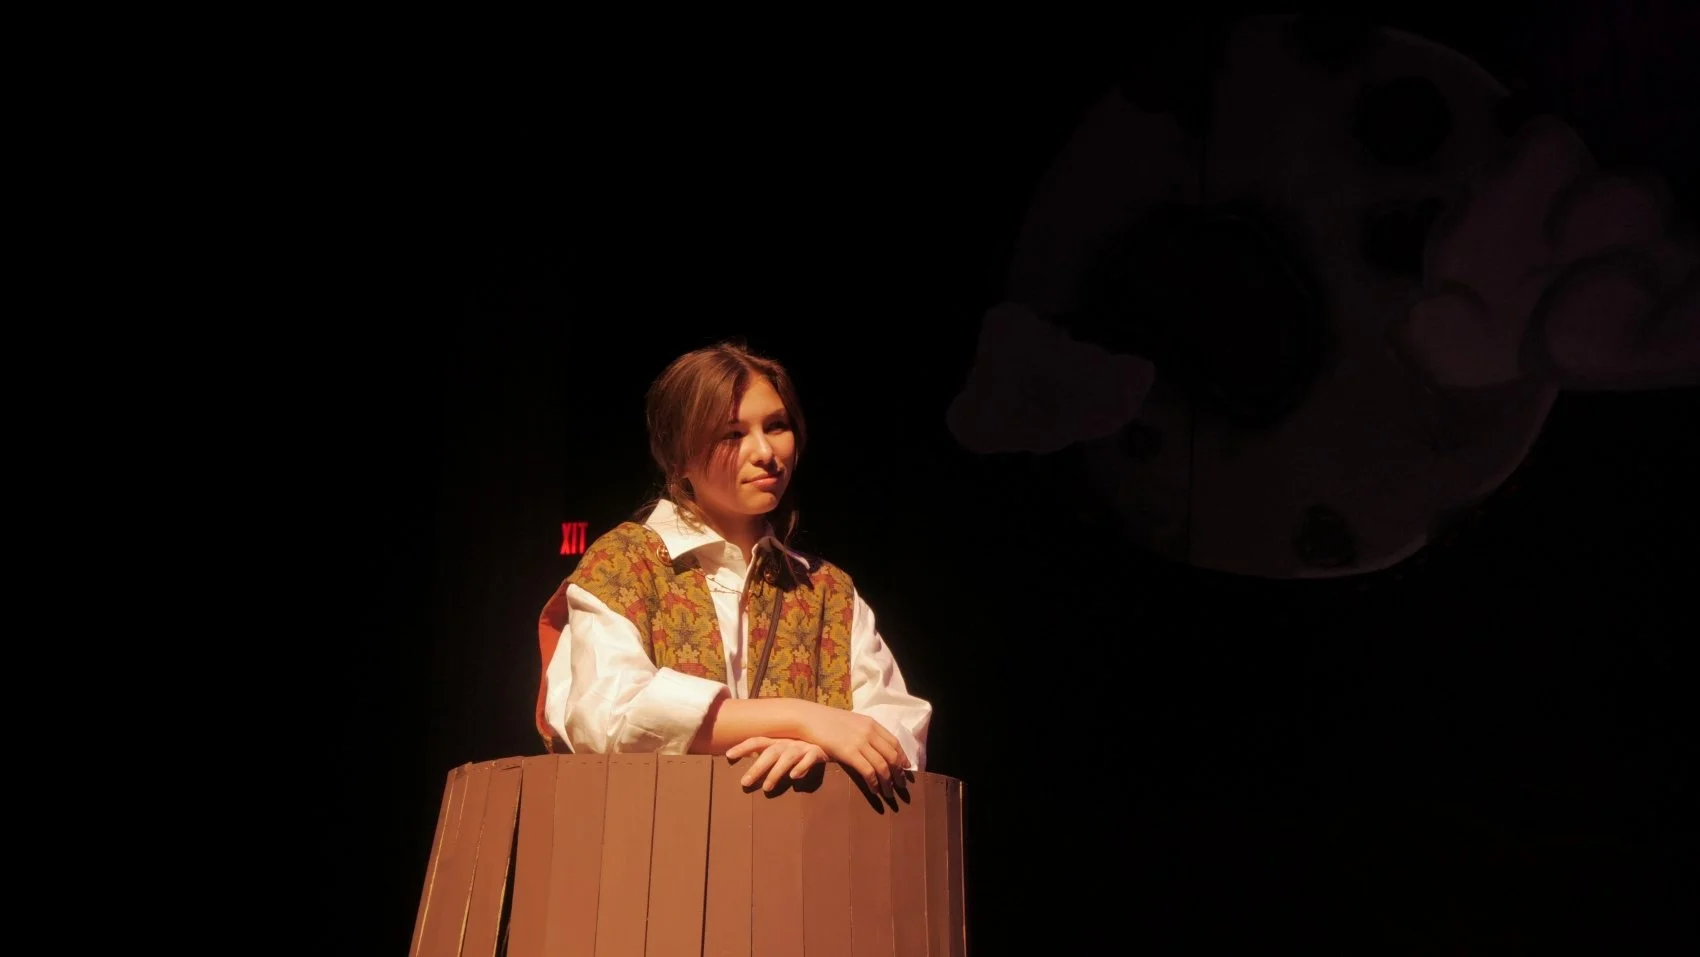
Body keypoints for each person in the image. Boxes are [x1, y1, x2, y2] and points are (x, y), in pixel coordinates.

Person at [535, 342, 932, 800]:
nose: (765, 452)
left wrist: (826, 750)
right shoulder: (625, 564)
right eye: (732, 434)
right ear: (678, 457)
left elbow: (898, 727)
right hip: (653, 846)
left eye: (777, 426)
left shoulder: (827, 590)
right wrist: (806, 718)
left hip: (800, 851)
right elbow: (608, 714)